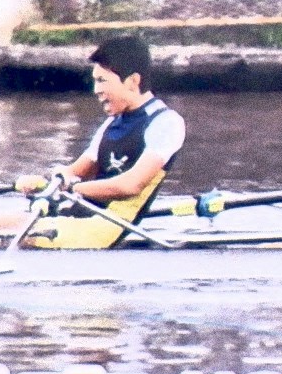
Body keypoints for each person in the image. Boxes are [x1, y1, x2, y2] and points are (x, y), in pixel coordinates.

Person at [24, 37, 189, 246]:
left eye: (102, 81)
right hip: (76, 217)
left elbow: (131, 185)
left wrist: (72, 189)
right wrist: (46, 181)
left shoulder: (166, 123)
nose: (96, 90)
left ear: (132, 81)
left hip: (101, 230)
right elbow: (75, 172)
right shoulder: (111, 124)